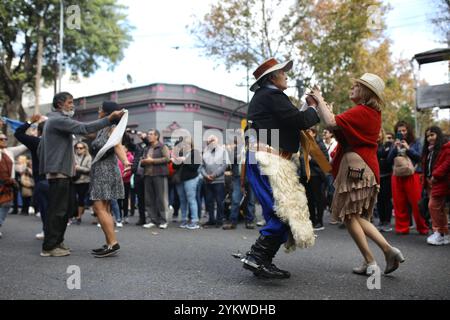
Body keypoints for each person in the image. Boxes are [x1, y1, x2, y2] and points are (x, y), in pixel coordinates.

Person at [310, 73, 405, 275]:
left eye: (356, 86)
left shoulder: (362, 110)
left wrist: (318, 99)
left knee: (349, 215)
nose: (351, 88)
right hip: (365, 165)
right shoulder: (370, 113)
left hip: (355, 165)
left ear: (365, 91)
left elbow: (330, 123)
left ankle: (372, 260)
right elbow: (341, 131)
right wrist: (327, 110)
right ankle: (384, 253)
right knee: (357, 216)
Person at [241, 57, 320, 279]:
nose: (286, 75)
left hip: (268, 158)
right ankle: (257, 257)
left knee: (281, 211)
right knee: (283, 211)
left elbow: (292, 119)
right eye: (282, 72)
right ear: (272, 78)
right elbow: (301, 121)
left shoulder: (268, 96)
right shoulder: (271, 95)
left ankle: (261, 259)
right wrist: (314, 106)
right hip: (268, 159)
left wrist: (308, 107)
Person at [38, 92, 124, 257]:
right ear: (59, 104)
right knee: (58, 211)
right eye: (69, 102)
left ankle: (57, 242)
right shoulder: (58, 120)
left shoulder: (54, 120)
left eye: (73, 102)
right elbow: (83, 128)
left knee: (64, 210)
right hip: (59, 172)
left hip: (64, 172)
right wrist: (109, 118)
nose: (72, 105)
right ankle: (50, 246)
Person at [89, 101, 131, 258]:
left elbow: (117, 146)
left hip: (105, 171)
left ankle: (113, 243)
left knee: (99, 208)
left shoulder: (113, 128)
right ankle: (109, 243)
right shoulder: (103, 127)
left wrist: (126, 162)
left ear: (106, 112)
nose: (98, 110)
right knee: (104, 209)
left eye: (100, 109)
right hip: (101, 170)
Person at [387, 121, 429, 235]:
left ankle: (422, 227)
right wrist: (395, 148)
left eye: (404, 130)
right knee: (399, 203)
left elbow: (420, 157)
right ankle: (401, 228)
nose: (402, 133)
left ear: (408, 131)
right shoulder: (394, 143)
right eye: (399, 131)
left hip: (413, 174)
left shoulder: (415, 143)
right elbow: (388, 160)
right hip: (397, 175)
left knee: (416, 203)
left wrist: (408, 148)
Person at [14, 115, 48, 239]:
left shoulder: (36, 142)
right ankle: (56, 234)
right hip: (60, 177)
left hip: (42, 177)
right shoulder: (59, 143)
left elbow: (18, 133)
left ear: (39, 131)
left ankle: (47, 231)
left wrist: (30, 121)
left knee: (44, 206)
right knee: (56, 208)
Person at [421, 126, 449, 245]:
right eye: (427, 136)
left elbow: (446, 164)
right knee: (438, 208)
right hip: (430, 182)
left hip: (439, 182)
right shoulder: (429, 150)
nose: (429, 138)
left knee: (433, 206)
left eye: (432, 135)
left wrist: (435, 175)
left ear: (438, 135)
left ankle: (439, 232)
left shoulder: (446, 148)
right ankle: (444, 234)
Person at [300, 127, 329, 231]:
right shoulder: (303, 143)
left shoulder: (319, 144)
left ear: (314, 133)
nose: (306, 133)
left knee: (318, 199)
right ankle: (311, 219)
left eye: (308, 131)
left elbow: (325, 162)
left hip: (316, 176)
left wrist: (311, 160)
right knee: (309, 199)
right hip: (305, 175)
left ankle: (319, 221)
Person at [0, 132, 27, 239]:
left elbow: (24, 146)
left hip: (8, 184)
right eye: (1, 139)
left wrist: (33, 135)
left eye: (5, 139)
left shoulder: (9, 151)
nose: (4, 141)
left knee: (6, 205)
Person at [141, 129, 170, 229]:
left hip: (159, 175)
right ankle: (152, 220)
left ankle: (163, 221)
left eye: (151, 134)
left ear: (156, 136)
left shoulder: (162, 146)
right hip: (148, 175)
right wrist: (143, 161)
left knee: (161, 199)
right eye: (148, 134)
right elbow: (142, 160)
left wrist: (152, 160)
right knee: (149, 199)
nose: (149, 136)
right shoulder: (146, 147)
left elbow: (167, 159)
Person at [172, 137, 202, 230]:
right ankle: (184, 219)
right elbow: (174, 167)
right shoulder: (181, 152)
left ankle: (194, 221)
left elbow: (195, 167)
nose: (185, 145)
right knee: (182, 200)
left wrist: (185, 160)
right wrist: (176, 161)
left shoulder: (195, 153)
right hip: (180, 179)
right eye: (184, 143)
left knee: (191, 200)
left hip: (191, 179)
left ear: (191, 144)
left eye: (187, 143)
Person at [200, 135, 228, 228]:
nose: (211, 142)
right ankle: (211, 220)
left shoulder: (223, 151)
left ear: (217, 141)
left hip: (218, 181)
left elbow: (224, 165)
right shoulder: (205, 151)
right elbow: (201, 167)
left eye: (212, 140)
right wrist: (206, 175)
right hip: (207, 181)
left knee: (219, 201)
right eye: (209, 141)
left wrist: (214, 175)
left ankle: (219, 220)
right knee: (209, 201)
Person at [376, 129, 394, 232]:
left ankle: (387, 221)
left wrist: (383, 153)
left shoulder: (388, 144)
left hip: (387, 176)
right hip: (376, 176)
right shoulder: (373, 144)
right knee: (379, 200)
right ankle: (381, 220)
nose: (377, 135)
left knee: (386, 199)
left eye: (379, 133)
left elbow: (387, 158)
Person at [72, 141, 92, 225]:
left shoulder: (88, 157)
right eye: (77, 148)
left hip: (84, 181)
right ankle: (74, 215)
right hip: (73, 180)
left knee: (81, 199)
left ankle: (79, 216)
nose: (78, 149)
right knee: (73, 199)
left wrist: (78, 168)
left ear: (85, 149)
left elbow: (90, 169)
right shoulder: (73, 157)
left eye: (81, 148)